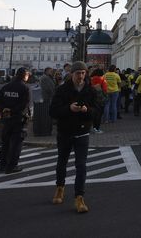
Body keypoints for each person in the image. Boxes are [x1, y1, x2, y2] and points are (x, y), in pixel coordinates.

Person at [49, 61, 96, 214]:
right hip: (65, 131)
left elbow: (98, 110)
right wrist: (69, 109)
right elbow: (53, 111)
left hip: (82, 131)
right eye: (78, 73)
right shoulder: (62, 89)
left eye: (83, 73)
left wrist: (86, 110)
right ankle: (60, 187)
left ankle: (79, 196)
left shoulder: (91, 90)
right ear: (71, 74)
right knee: (61, 162)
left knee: (81, 166)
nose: (81, 76)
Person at [0, 67, 31, 173]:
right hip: (18, 119)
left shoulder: (6, 87)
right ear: (25, 75)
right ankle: (12, 166)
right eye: (28, 75)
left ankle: (3, 164)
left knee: (5, 142)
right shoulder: (24, 88)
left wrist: (4, 110)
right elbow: (24, 105)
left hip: (6, 118)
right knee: (16, 143)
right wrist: (13, 111)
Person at [90, 68, 107, 133]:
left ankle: (93, 127)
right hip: (100, 98)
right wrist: (105, 95)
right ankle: (96, 128)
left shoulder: (91, 78)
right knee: (99, 114)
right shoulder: (101, 78)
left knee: (95, 113)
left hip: (93, 98)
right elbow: (104, 89)